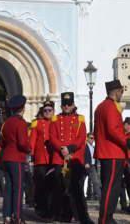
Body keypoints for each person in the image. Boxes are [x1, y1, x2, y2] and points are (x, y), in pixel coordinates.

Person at [48, 91, 91, 224]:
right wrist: (62, 149)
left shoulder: (80, 119)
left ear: (73, 105)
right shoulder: (56, 119)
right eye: (64, 104)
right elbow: (52, 137)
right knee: (59, 189)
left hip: (74, 158)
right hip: (59, 158)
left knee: (76, 190)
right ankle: (60, 215)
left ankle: (81, 217)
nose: (66, 106)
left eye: (69, 104)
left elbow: (81, 138)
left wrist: (70, 149)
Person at [94, 79, 130, 224]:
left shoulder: (100, 106)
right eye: (122, 91)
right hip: (113, 152)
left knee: (109, 186)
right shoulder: (110, 107)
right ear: (116, 92)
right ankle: (105, 219)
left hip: (106, 152)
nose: (122, 94)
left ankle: (107, 217)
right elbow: (113, 130)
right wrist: (127, 142)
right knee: (111, 188)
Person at [0, 94, 31, 224]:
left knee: (9, 188)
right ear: (22, 108)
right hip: (17, 158)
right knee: (18, 188)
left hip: (6, 157)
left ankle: (7, 215)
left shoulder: (6, 123)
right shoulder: (20, 123)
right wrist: (29, 149)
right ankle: (17, 216)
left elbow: (2, 141)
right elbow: (22, 143)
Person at [29, 100, 57, 220]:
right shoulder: (37, 124)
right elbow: (32, 141)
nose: (47, 112)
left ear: (53, 111)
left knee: (51, 186)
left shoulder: (56, 123)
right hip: (40, 159)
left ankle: (51, 210)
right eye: (45, 110)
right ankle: (41, 209)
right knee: (40, 185)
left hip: (53, 159)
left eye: (49, 110)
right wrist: (31, 156)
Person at [85, 133, 100, 201]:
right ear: (87, 138)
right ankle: (88, 195)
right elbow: (83, 155)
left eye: (93, 138)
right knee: (82, 181)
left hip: (93, 166)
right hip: (86, 165)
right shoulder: (85, 146)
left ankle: (99, 197)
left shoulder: (94, 147)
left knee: (95, 181)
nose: (92, 140)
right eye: (91, 138)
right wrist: (85, 163)